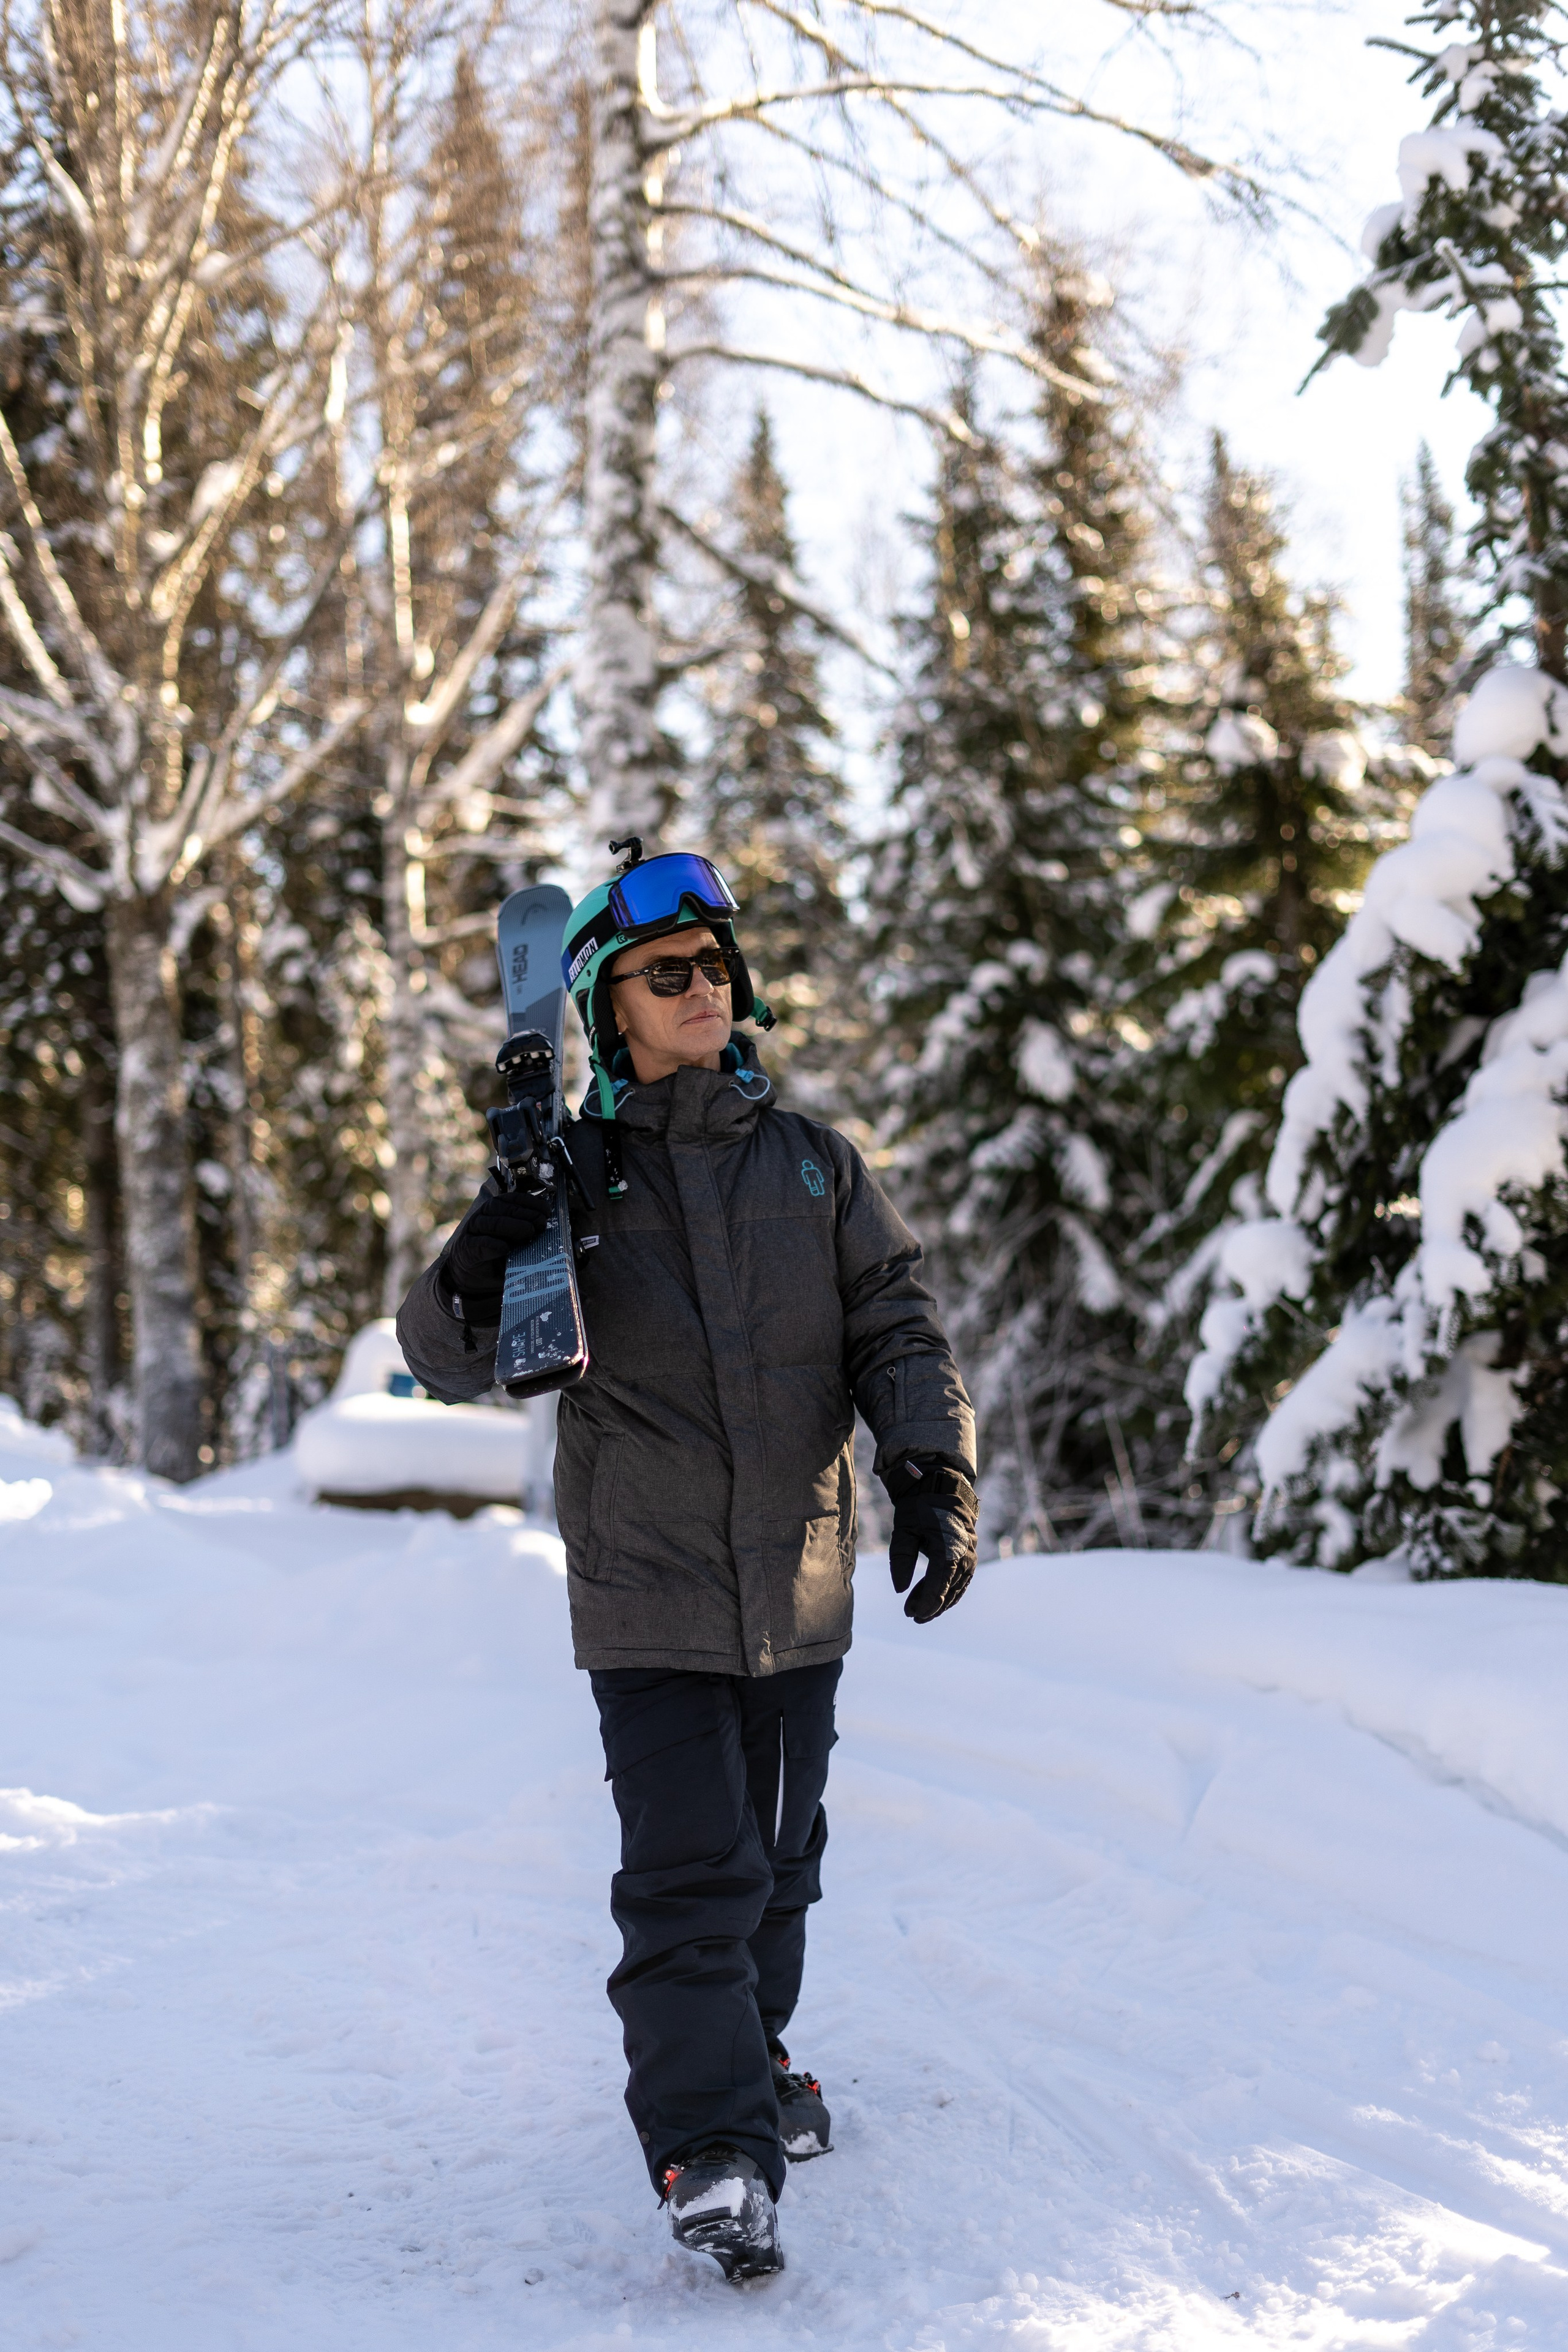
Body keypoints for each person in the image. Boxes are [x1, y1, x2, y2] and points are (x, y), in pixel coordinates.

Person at [397, 844, 977, 2281]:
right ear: (609, 1010)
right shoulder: (568, 1180)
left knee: (778, 1869)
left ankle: (753, 2058)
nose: (703, 986)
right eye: (670, 974)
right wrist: (493, 1231)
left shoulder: (812, 1164)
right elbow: (447, 1356)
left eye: (715, 966)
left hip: (800, 1585)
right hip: (647, 1597)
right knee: (689, 1878)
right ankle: (711, 2150)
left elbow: (895, 1329)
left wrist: (931, 1471)